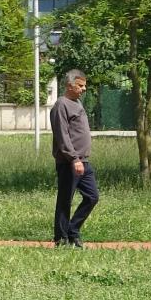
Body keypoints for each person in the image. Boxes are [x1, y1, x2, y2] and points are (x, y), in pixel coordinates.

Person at [49, 69, 99, 248]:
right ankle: (61, 239)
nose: (84, 89)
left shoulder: (77, 103)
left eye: (84, 85)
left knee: (92, 196)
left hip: (83, 161)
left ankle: (73, 230)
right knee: (65, 200)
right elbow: (62, 135)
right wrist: (73, 159)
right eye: (80, 85)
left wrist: (80, 159)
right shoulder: (61, 105)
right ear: (69, 86)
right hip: (70, 162)